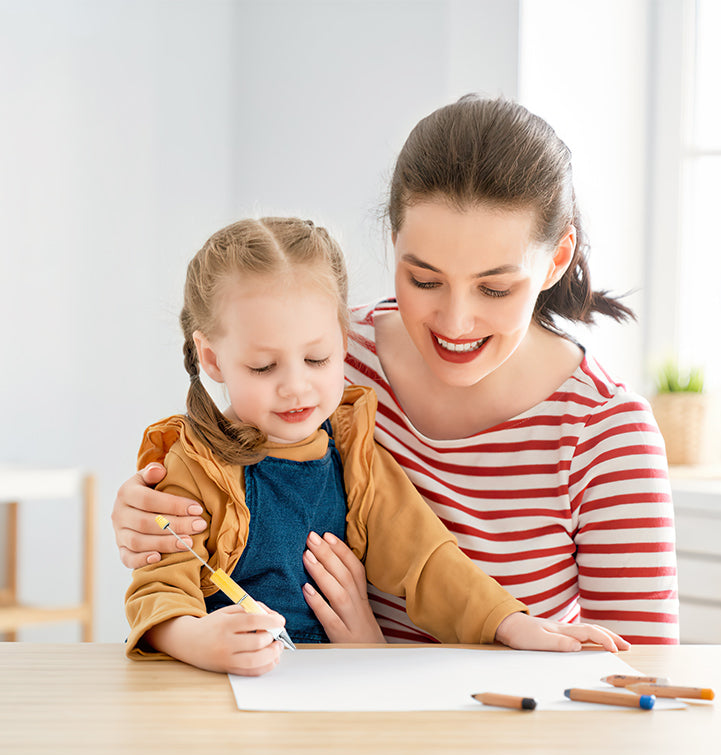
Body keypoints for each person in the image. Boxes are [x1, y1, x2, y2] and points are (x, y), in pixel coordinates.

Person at [114, 95, 678, 647]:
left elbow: (634, 695)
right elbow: (209, 486)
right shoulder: (329, 359)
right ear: (395, 245)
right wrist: (147, 515)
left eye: (495, 287)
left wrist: (372, 657)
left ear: (556, 259)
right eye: (425, 280)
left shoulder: (605, 434)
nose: (456, 322)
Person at [126, 215, 629, 676]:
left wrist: (510, 623)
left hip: (331, 699)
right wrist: (196, 640)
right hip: (217, 702)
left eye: (318, 360)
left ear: (344, 342)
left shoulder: (355, 455)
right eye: (264, 367)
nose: (296, 387)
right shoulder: (191, 465)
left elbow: (427, 561)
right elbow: (157, 589)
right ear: (212, 359)